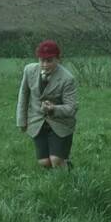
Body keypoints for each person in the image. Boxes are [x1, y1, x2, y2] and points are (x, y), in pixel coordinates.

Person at [16, 40, 78, 170]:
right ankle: (55, 174)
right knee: (44, 162)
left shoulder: (67, 79)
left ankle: (66, 174)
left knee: (56, 160)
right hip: (37, 121)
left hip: (60, 123)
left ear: (58, 59)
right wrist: (21, 121)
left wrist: (53, 108)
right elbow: (23, 96)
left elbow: (71, 108)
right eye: (41, 60)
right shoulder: (29, 70)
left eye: (49, 61)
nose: (45, 64)